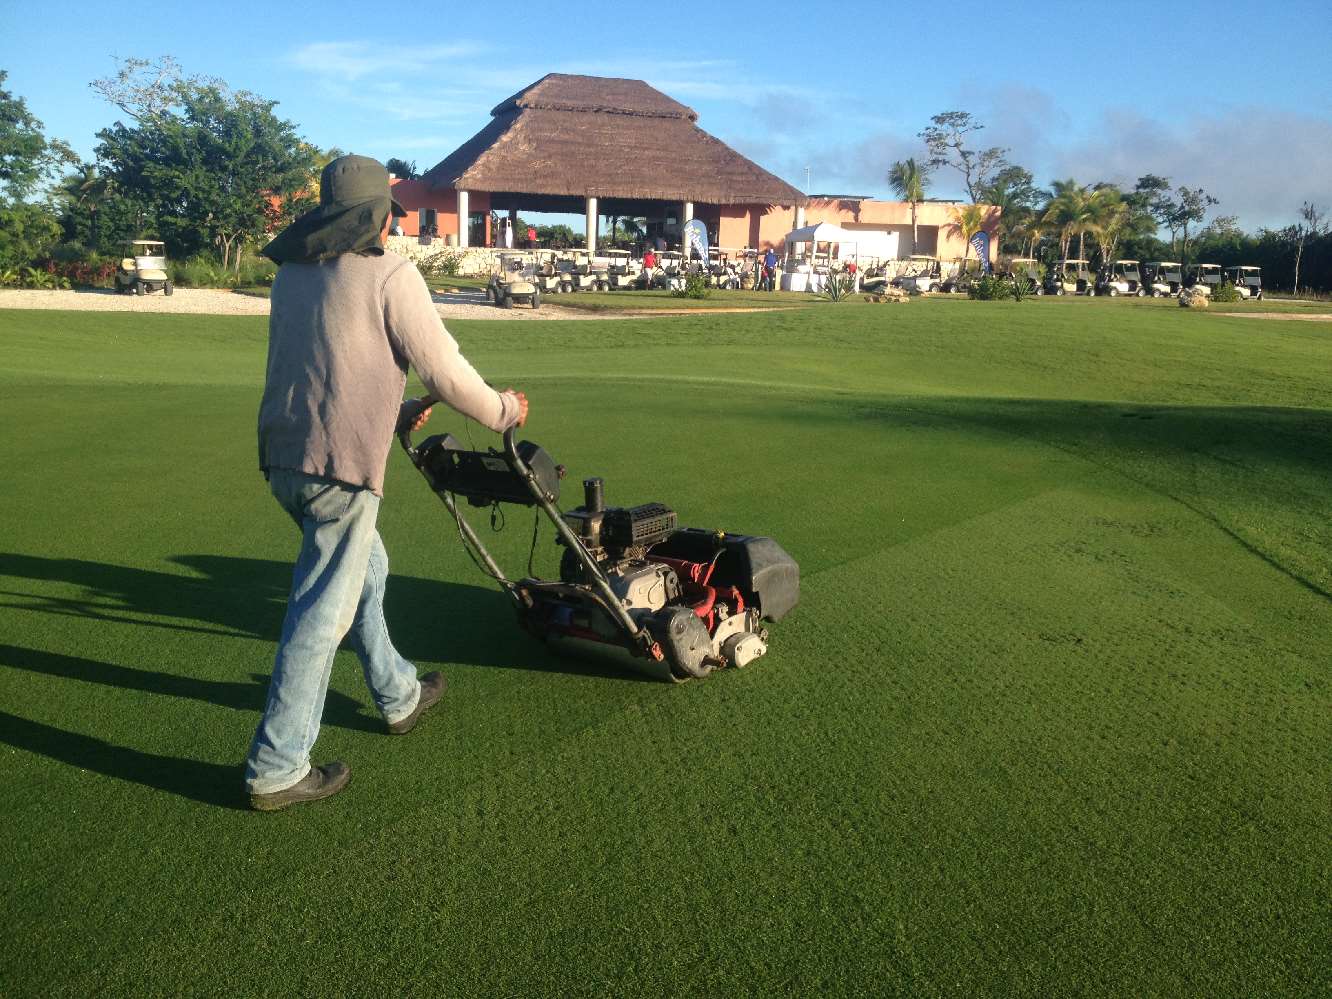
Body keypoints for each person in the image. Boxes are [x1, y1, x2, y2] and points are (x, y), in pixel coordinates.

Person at [247, 154, 528, 812]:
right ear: (377, 216)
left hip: (284, 458)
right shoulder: (391, 275)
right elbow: (446, 370)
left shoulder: (292, 274)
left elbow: (321, 365)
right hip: (339, 470)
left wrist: (394, 411)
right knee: (322, 613)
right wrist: (504, 411)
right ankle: (277, 765)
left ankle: (398, 694)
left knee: (367, 572)